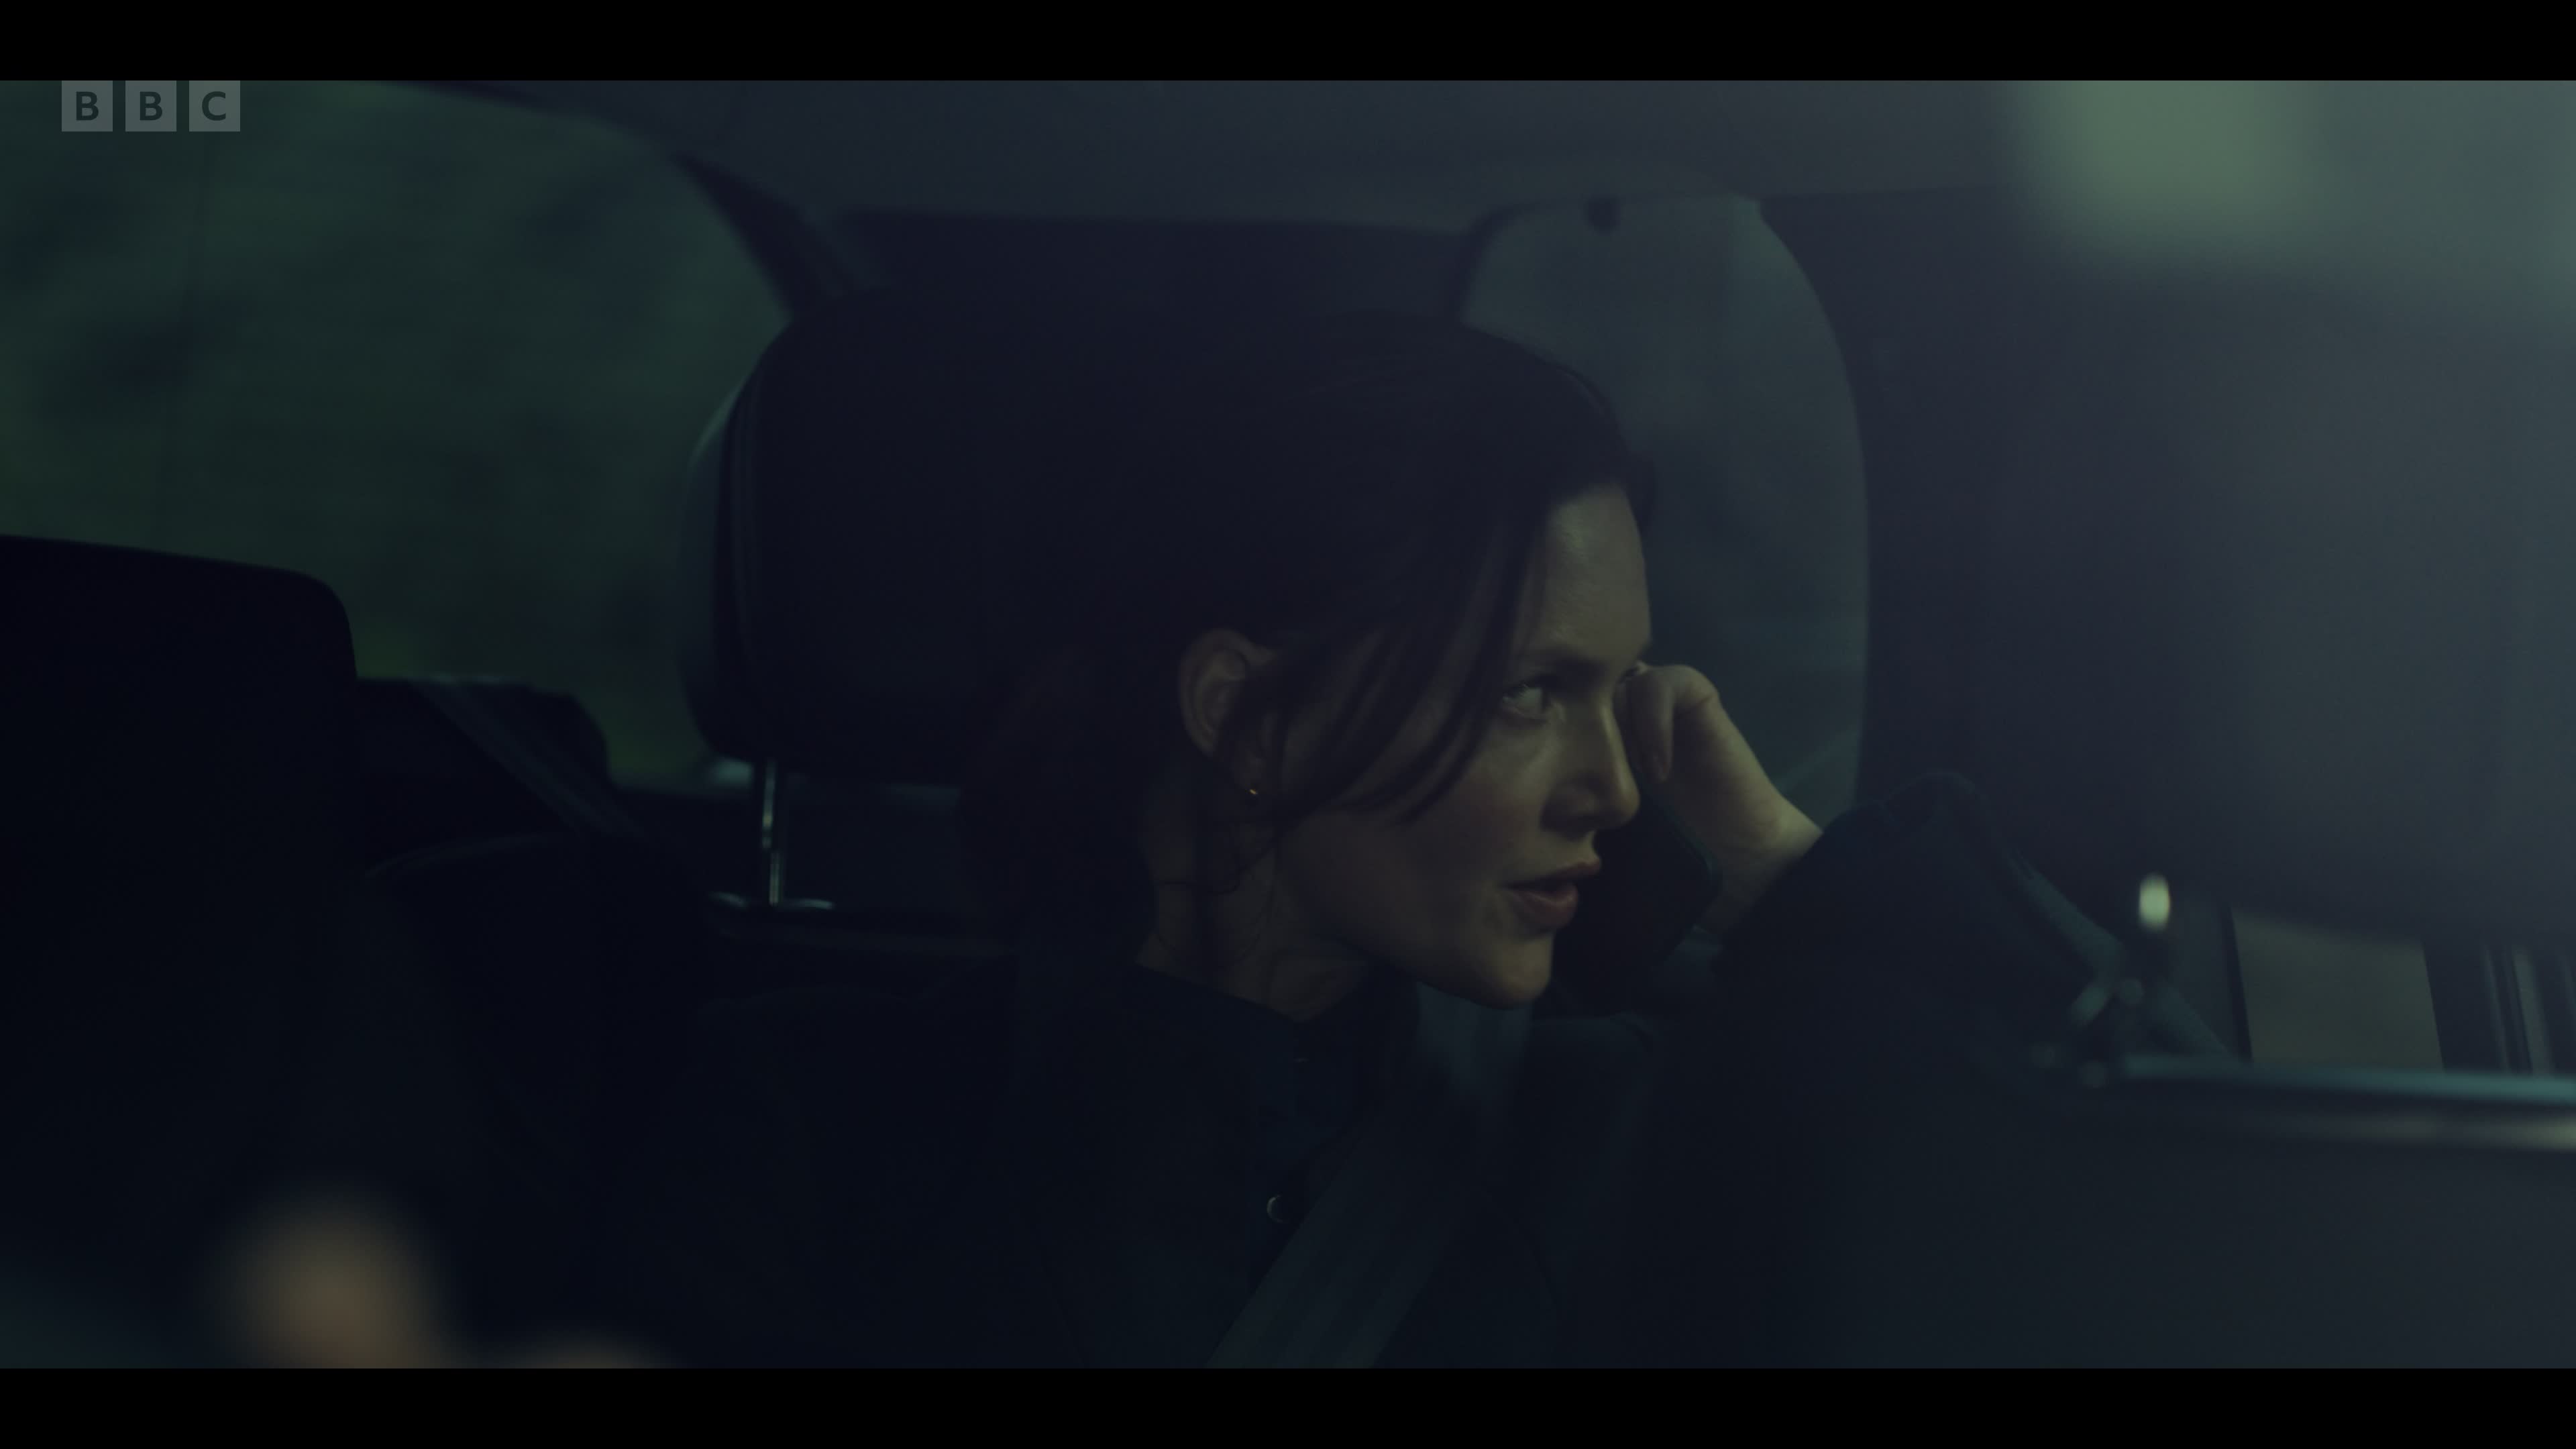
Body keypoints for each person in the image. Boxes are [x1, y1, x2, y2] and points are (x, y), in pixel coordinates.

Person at [588, 312, 2229, 1367]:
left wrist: (1801, 875)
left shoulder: (1633, 1137)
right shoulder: (803, 1121)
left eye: (1618, 694)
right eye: (1532, 693)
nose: (1616, 786)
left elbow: (2203, 1230)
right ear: (1246, 714)